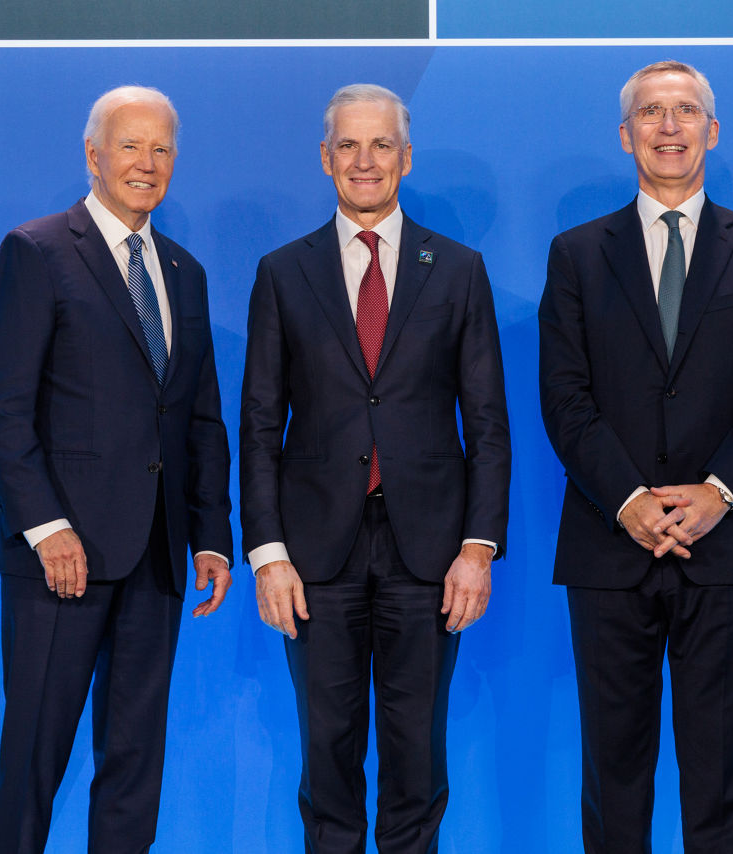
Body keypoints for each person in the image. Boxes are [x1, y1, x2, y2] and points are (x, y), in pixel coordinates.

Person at [538, 60, 733, 853]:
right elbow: (565, 398)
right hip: (608, 545)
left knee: (720, 779)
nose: (668, 125)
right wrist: (629, 500)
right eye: (651, 111)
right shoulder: (577, 254)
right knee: (612, 777)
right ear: (626, 136)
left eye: (685, 110)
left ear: (711, 132)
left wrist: (718, 493)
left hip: (728, 548)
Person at [240, 83, 511, 854]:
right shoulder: (282, 272)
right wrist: (267, 554)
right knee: (326, 755)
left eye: (381, 145)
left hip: (429, 552)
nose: (365, 161)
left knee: (417, 756)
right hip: (313, 554)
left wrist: (477, 547)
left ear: (406, 157)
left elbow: (488, 423)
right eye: (349, 146)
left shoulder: (457, 269)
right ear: (325, 158)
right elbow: (258, 423)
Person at [0, 85, 233, 854]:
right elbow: (3, 410)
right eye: (130, 146)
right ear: (93, 155)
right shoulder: (37, 251)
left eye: (161, 149)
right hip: (63, 558)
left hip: (157, 556)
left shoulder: (184, 271)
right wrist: (46, 528)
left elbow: (200, 416)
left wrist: (210, 535)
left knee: (134, 762)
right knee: (35, 756)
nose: (146, 163)